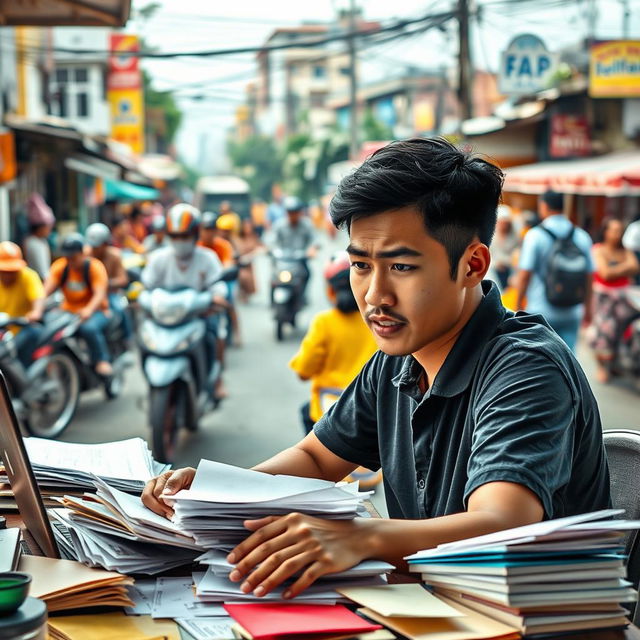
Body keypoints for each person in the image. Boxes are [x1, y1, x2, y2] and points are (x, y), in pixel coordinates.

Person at [143, 139, 610, 601]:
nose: (374, 296)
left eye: (401, 267)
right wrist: (212, 492)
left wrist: (361, 538)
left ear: (472, 265)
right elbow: (318, 459)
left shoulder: (525, 367)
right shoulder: (398, 360)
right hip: (428, 607)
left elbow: (501, 524)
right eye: (361, 265)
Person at [289, 251, 380, 489]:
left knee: (306, 414)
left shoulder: (324, 323)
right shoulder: (378, 320)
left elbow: (303, 370)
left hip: (327, 405)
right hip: (371, 409)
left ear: (330, 290)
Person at [142, 203, 229, 396]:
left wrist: (217, 296)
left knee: (215, 334)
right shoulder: (159, 258)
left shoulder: (207, 258)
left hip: (198, 315)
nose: (180, 241)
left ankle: (216, 380)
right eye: (175, 236)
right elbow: (147, 284)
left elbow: (218, 284)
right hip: (164, 318)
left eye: (185, 236)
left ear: (195, 234)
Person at [515, 189, 593, 352]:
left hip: (540, 310)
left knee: (539, 361)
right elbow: (589, 275)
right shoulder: (581, 236)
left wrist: (518, 305)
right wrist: (588, 309)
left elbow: (525, 275)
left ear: (543, 206)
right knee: (568, 359)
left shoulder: (535, 235)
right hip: (572, 310)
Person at [44, 233, 112, 377]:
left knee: (88, 328)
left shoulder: (95, 267)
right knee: (49, 328)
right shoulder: (60, 267)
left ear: (82, 253)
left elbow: (99, 294)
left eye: (73, 257)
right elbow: (45, 291)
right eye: (67, 257)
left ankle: (101, 360)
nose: (71, 261)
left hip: (97, 311)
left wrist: (88, 309)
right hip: (69, 312)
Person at [589, 218, 639, 383]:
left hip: (624, 299)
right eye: (613, 230)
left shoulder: (625, 250)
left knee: (622, 331)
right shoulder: (598, 250)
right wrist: (624, 268)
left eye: (619, 231)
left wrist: (615, 268)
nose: (617, 234)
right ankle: (602, 367)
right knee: (604, 332)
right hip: (604, 298)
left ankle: (615, 363)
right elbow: (605, 274)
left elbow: (635, 266)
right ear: (605, 231)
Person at [85, 223, 133, 342]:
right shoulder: (86, 255)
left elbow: (123, 279)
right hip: (88, 293)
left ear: (106, 244)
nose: (94, 249)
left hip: (110, 294)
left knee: (120, 309)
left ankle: (127, 339)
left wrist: (105, 284)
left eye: (97, 246)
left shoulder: (115, 256)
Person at [0, 242, 46, 367]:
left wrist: (35, 313)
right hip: (3, 331)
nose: (8, 274)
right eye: (4, 271)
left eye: (12, 270)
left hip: (24, 327)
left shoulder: (28, 276)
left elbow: (38, 300)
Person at [270, 196, 319, 299]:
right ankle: (272, 298)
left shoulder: (307, 224)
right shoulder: (279, 225)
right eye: (290, 212)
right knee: (272, 276)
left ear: (300, 212)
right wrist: (271, 249)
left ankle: (303, 296)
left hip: (300, 260)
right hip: (282, 260)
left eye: (295, 212)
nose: (292, 215)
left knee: (307, 274)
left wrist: (312, 249)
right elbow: (271, 240)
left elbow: (314, 240)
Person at [23, 193, 55, 281]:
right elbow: (42, 273)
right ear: (40, 227)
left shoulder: (41, 241)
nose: (49, 230)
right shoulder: (33, 243)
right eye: (48, 227)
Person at [489, 205, 519, 289]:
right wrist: (495, 263)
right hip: (493, 271)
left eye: (506, 223)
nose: (503, 226)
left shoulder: (514, 237)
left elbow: (516, 255)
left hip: (510, 271)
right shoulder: (491, 236)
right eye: (501, 223)